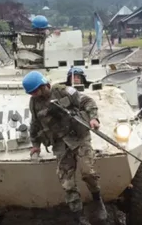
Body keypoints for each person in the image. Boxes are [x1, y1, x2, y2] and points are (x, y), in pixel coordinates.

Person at [24, 71, 106, 225]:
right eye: (31, 93)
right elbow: (35, 124)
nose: (34, 94)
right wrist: (35, 145)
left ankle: (98, 200)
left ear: (43, 85)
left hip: (79, 137)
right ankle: (79, 216)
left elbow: (87, 101)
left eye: (35, 90)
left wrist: (93, 118)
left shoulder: (62, 91)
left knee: (88, 173)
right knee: (67, 183)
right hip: (60, 143)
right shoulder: (34, 103)